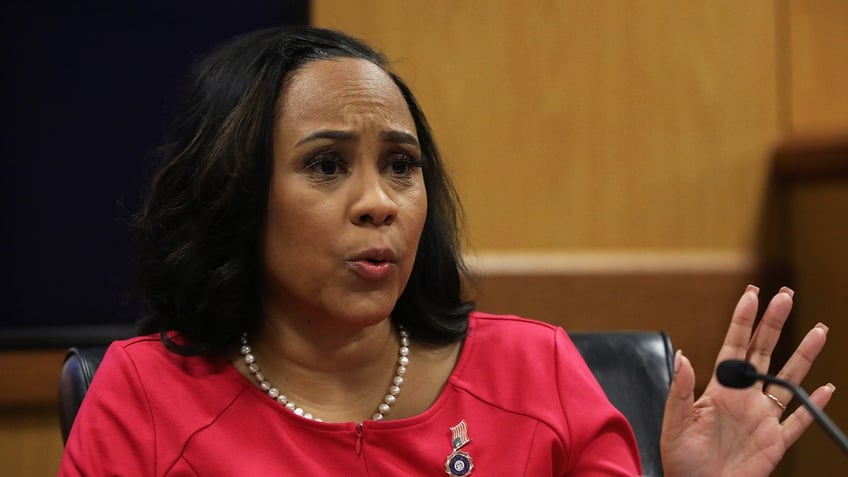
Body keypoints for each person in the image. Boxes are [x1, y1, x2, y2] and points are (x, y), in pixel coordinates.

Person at [59, 26, 834, 476]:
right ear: (236, 191)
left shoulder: (536, 372)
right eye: (326, 165)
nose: (380, 201)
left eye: (401, 165)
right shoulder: (142, 398)